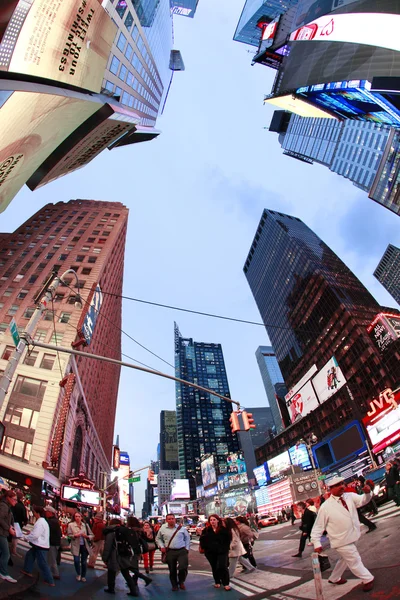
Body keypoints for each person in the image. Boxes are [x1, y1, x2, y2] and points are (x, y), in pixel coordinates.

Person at [311, 475, 375, 592]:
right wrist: (316, 543)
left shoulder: (349, 496)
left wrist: (367, 493)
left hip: (353, 535)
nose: (342, 486)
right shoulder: (325, 507)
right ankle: (368, 579)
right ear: (331, 489)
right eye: (337, 485)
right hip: (340, 540)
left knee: (345, 559)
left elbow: (363, 500)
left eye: (342, 484)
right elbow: (318, 527)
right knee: (354, 559)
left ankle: (334, 578)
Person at [102, 518, 140, 596]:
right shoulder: (123, 531)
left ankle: (111, 588)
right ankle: (133, 590)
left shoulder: (111, 532)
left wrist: (105, 558)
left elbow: (107, 547)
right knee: (125, 573)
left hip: (113, 555)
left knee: (111, 572)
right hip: (123, 554)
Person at [21, 505, 54, 586]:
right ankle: (27, 570)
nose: (33, 514)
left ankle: (50, 580)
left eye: (34, 512)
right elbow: (36, 533)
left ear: (37, 513)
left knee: (42, 563)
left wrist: (26, 537)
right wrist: (31, 534)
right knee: (30, 555)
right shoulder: (42, 521)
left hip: (40, 545)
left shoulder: (40, 522)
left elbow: (35, 535)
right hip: (40, 545)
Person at [156, 514, 190, 591]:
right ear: (166, 520)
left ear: (175, 519)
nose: (171, 520)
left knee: (183, 567)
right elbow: (158, 538)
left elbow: (187, 538)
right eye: (169, 519)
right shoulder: (163, 528)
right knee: (172, 569)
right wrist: (162, 546)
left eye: (172, 518)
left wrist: (187, 548)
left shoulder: (181, 528)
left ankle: (181, 581)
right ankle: (174, 585)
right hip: (170, 551)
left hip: (181, 550)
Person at [199, 514, 231, 590]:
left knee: (222, 566)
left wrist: (225, 549)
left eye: (214, 520)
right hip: (210, 552)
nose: (212, 521)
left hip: (222, 551)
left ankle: (226, 583)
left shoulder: (223, 530)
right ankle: (217, 581)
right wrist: (205, 547)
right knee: (214, 567)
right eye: (211, 520)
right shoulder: (206, 530)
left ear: (217, 520)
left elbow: (228, 540)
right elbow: (202, 540)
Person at [67, 511, 93, 582]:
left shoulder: (85, 525)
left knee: (84, 562)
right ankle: (78, 574)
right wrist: (74, 536)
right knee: (76, 560)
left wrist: (87, 536)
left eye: (79, 516)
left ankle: (83, 576)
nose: (77, 518)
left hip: (84, 546)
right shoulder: (71, 525)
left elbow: (92, 535)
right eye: (76, 516)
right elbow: (69, 535)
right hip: (76, 545)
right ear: (74, 517)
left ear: (81, 517)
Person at [126, 517, 152, 587]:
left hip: (131, 549)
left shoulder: (130, 530)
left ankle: (144, 579)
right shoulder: (140, 530)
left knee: (128, 565)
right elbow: (145, 539)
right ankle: (134, 580)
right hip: (138, 549)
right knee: (135, 565)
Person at [0, 490, 17, 583]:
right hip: (1, 533)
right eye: (14, 499)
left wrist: (9, 526)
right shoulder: (4, 506)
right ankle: (3, 573)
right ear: (8, 498)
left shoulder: (6, 506)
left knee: (3, 552)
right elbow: (0, 518)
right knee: (6, 553)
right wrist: (8, 528)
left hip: (3, 532)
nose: (15, 501)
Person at [44, 505, 62, 580]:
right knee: (52, 559)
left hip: (53, 542)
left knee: (51, 560)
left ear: (50, 512)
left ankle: (52, 575)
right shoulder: (55, 520)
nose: (45, 513)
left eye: (46, 512)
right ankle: (53, 574)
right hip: (54, 542)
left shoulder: (51, 521)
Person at [10, 491, 27, 558]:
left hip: (11, 521)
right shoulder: (21, 506)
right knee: (15, 538)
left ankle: (11, 550)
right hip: (18, 523)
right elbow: (24, 516)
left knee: (10, 537)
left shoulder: (12, 503)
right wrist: (25, 521)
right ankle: (13, 550)